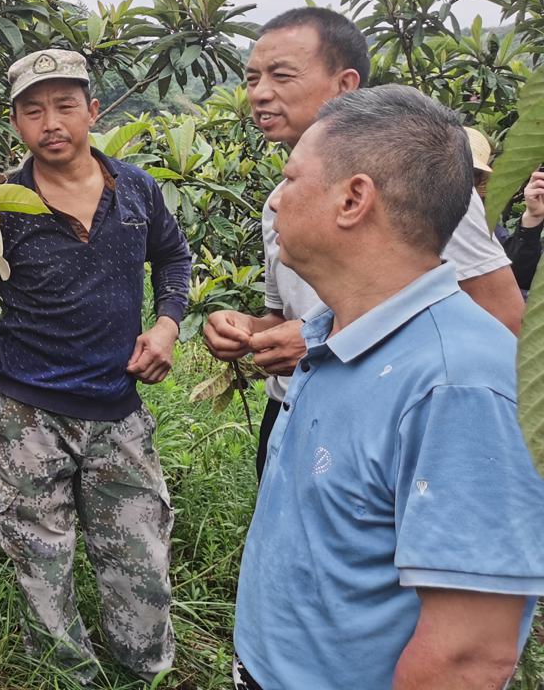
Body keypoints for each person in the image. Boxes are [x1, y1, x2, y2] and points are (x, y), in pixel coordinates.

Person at [231, 85, 544, 690]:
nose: (275, 204)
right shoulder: (339, 335)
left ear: (353, 199)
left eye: (291, 181)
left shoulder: (459, 385)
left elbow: (469, 655)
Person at [0, 49, 190, 684]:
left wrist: (166, 322)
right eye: (33, 110)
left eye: (65, 106)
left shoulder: (136, 190)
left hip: (118, 413)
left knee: (140, 556)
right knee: (40, 560)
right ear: (16, 123)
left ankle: (145, 670)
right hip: (29, 417)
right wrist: (2, 359)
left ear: (93, 112)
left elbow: (173, 258)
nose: (51, 122)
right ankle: (67, 674)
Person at [204, 7, 523, 479]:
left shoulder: (418, 188)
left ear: (345, 84)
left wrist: (325, 343)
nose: (260, 93)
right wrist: (245, 328)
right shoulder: (281, 202)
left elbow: (503, 318)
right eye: (252, 78)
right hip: (291, 410)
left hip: (388, 418)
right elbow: (288, 318)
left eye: (281, 75)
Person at [467, 126, 542, 293]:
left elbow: (517, 278)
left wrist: (532, 217)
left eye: (469, 173)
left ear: (478, 181)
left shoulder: (480, 222)